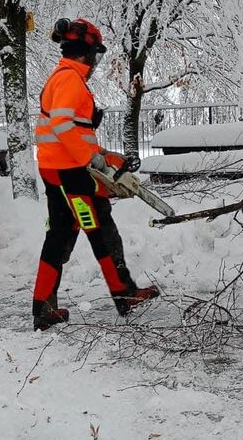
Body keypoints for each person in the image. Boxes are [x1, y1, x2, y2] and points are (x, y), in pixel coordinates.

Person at [32, 17, 159, 331]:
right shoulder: (69, 79)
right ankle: (123, 294)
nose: (96, 63)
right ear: (86, 52)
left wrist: (108, 156)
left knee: (64, 234)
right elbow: (62, 125)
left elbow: (76, 132)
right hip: (69, 173)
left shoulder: (64, 77)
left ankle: (45, 306)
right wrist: (93, 159)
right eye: (96, 55)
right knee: (98, 229)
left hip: (61, 169)